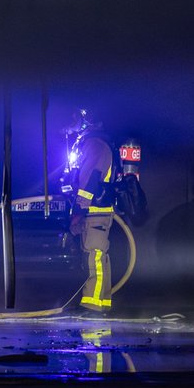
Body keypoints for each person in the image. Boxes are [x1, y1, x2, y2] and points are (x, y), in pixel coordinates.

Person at [66, 110, 116, 315]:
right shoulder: (96, 144)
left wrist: (79, 208)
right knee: (98, 256)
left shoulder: (95, 145)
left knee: (93, 256)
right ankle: (101, 301)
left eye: (75, 120)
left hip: (94, 210)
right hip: (96, 211)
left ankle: (92, 304)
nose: (72, 125)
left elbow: (90, 179)